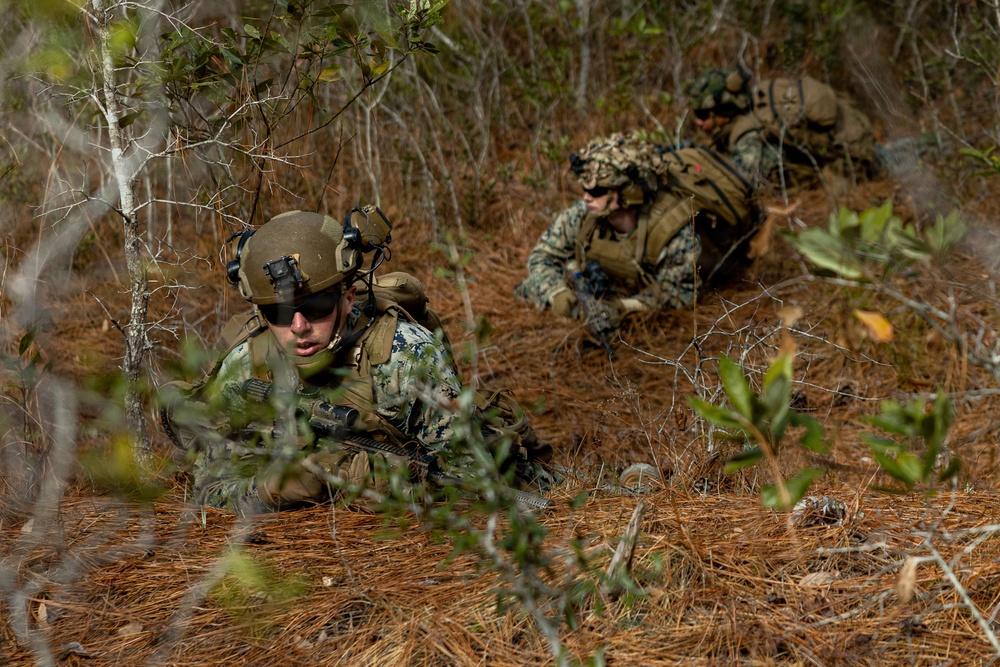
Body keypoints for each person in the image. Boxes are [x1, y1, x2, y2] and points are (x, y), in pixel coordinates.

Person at [161, 207, 554, 516]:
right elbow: (209, 490)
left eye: (314, 307)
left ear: (347, 298)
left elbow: (470, 479)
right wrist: (271, 489)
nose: (298, 327)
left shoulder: (402, 356)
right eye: (279, 314)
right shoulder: (249, 364)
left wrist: (363, 478)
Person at [514, 131, 756, 333]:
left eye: (597, 190)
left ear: (628, 192)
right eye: (584, 189)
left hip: (640, 297)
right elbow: (542, 257)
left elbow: (680, 293)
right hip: (605, 285)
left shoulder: (671, 229)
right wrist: (557, 294)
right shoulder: (583, 215)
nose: (586, 197)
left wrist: (625, 307)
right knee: (526, 289)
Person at [686, 67, 878, 194]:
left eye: (703, 115)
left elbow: (747, 185)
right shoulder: (755, 108)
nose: (698, 122)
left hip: (853, 166)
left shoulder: (747, 135)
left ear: (724, 113)